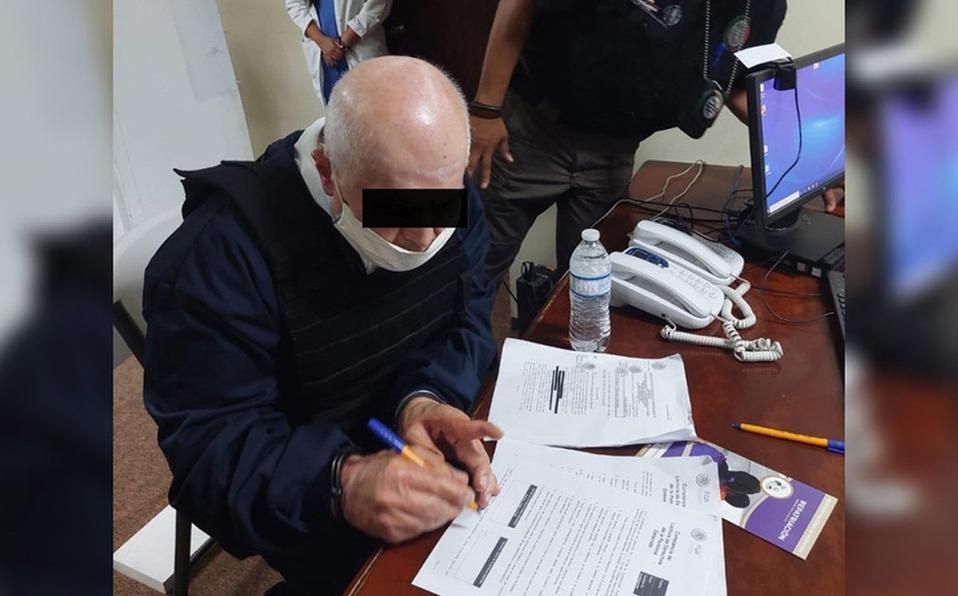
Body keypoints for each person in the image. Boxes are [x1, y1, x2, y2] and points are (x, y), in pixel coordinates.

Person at [142, 56, 501, 594]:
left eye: (441, 205)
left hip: (414, 453)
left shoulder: (438, 183)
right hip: (309, 494)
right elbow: (210, 452)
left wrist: (425, 399)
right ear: (328, 171)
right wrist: (343, 481)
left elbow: (469, 312)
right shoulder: (217, 260)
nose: (426, 237)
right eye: (397, 212)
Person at [467, 0, 839, 286]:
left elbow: (738, 86)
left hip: (615, 153)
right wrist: (485, 109)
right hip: (531, 131)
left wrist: (810, 159)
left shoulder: (761, 6)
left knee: (588, 285)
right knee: (472, 270)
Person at [286, 0, 392, 103]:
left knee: (374, 105)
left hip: (359, 46)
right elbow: (294, 3)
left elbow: (377, 5)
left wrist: (344, 42)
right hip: (324, 56)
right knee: (336, 107)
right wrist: (321, 40)